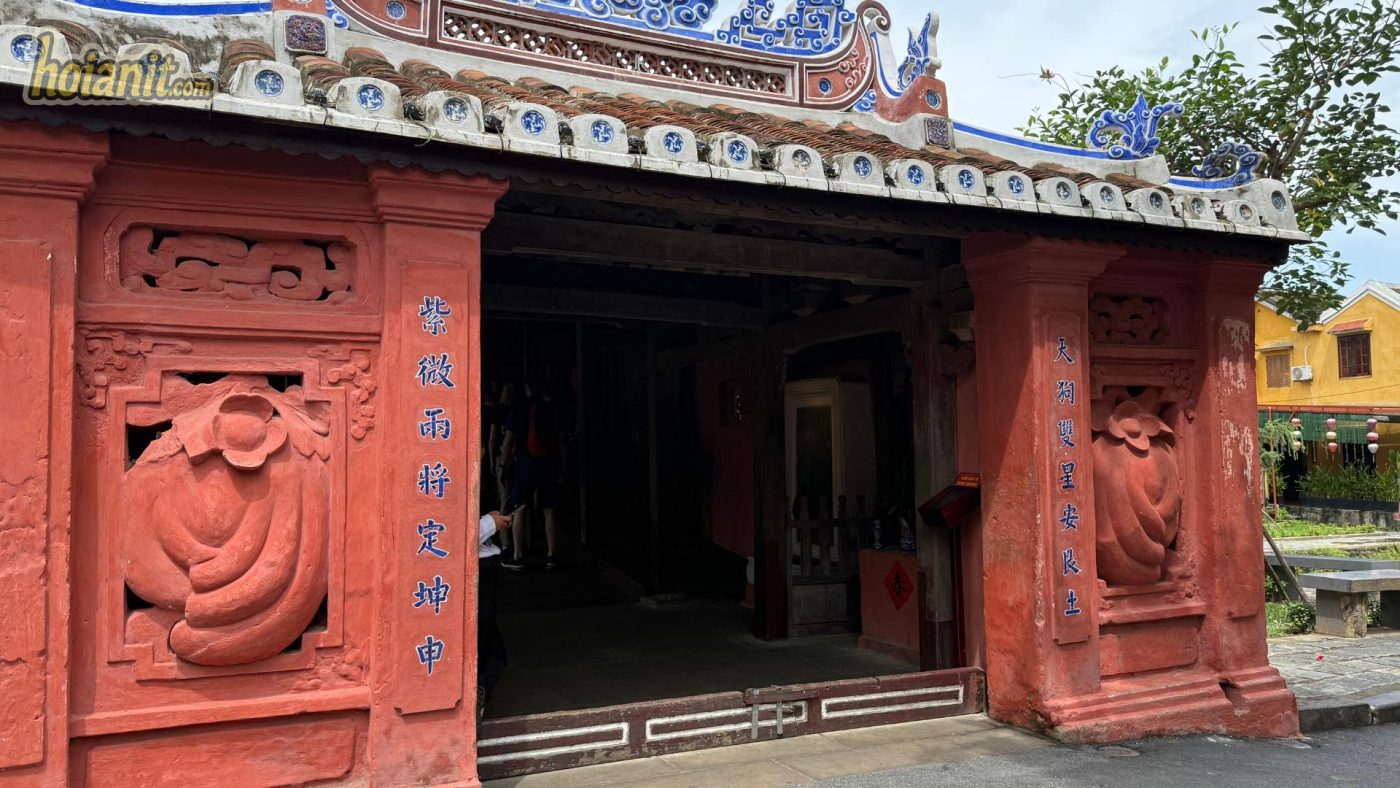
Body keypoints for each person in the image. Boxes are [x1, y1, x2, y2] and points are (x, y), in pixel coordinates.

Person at [497, 380, 564, 570]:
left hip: (525, 463)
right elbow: (559, 440)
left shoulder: (519, 408)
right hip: (548, 463)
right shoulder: (549, 408)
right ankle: (552, 555)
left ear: (525, 387)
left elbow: (509, 441)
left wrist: (503, 466)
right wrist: (561, 466)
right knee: (549, 508)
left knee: (519, 507)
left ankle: (518, 556)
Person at [477, 509, 512, 724]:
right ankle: (477, 692)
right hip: (478, 565)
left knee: (494, 650)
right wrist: (490, 523)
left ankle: (479, 690)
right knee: (485, 644)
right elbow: (451, 535)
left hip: (486, 562)